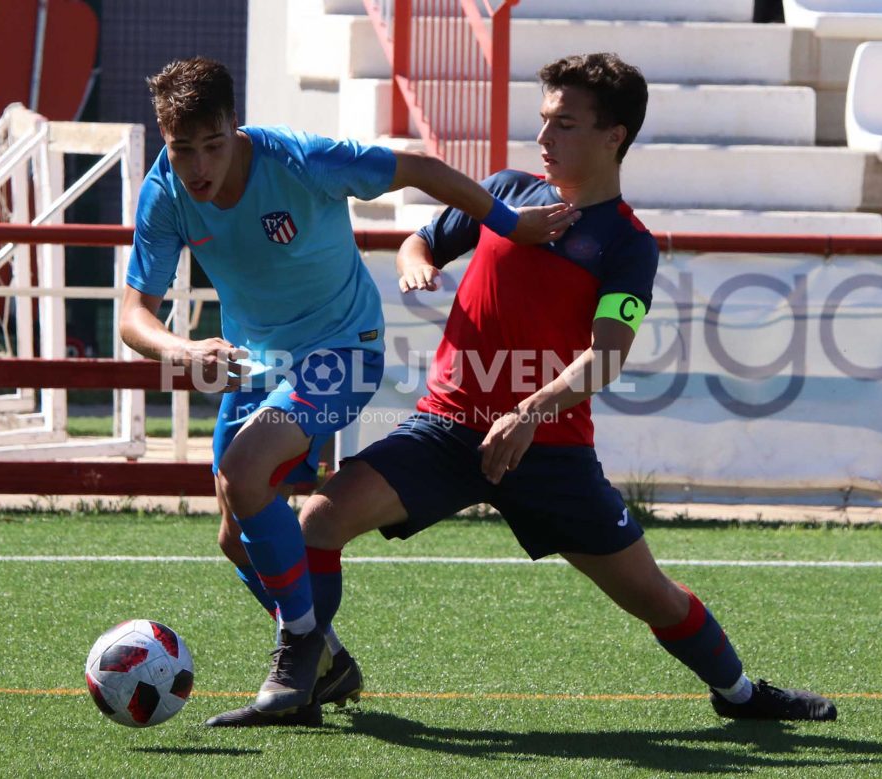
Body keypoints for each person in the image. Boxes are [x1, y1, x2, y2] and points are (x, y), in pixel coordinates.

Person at [208, 52, 838, 727]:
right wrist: (419, 267)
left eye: (564, 124)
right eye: (544, 121)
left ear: (613, 136)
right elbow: (421, 242)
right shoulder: (505, 191)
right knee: (317, 521)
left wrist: (530, 411)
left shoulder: (628, 244)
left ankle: (740, 693)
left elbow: (607, 356)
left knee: (654, 595)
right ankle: (312, 673)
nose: (544, 138)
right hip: (446, 429)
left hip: (551, 452)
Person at [119, 57, 578, 728]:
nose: (196, 166)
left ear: (234, 127)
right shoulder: (164, 194)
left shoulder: (301, 161)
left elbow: (419, 167)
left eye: (211, 145)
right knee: (235, 533)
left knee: (246, 472)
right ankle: (327, 660)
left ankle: (298, 642)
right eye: (180, 147)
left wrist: (511, 223)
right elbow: (134, 314)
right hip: (259, 363)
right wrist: (185, 350)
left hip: (345, 349)